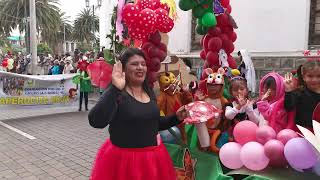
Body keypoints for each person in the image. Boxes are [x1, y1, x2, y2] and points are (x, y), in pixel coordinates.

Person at [88, 48, 189, 180]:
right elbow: (96, 121)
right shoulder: (117, 92)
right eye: (134, 64)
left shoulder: (149, 91)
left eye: (143, 64)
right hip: (123, 162)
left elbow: (153, 124)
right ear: (123, 68)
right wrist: (115, 88)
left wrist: (176, 117)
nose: (140, 67)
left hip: (152, 160)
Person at [284, 60, 320, 130]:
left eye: (319, 76)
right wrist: (288, 91)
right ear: (303, 77)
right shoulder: (299, 93)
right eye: (310, 76)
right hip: (304, 132)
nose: (314, 79)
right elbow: (288, 107)